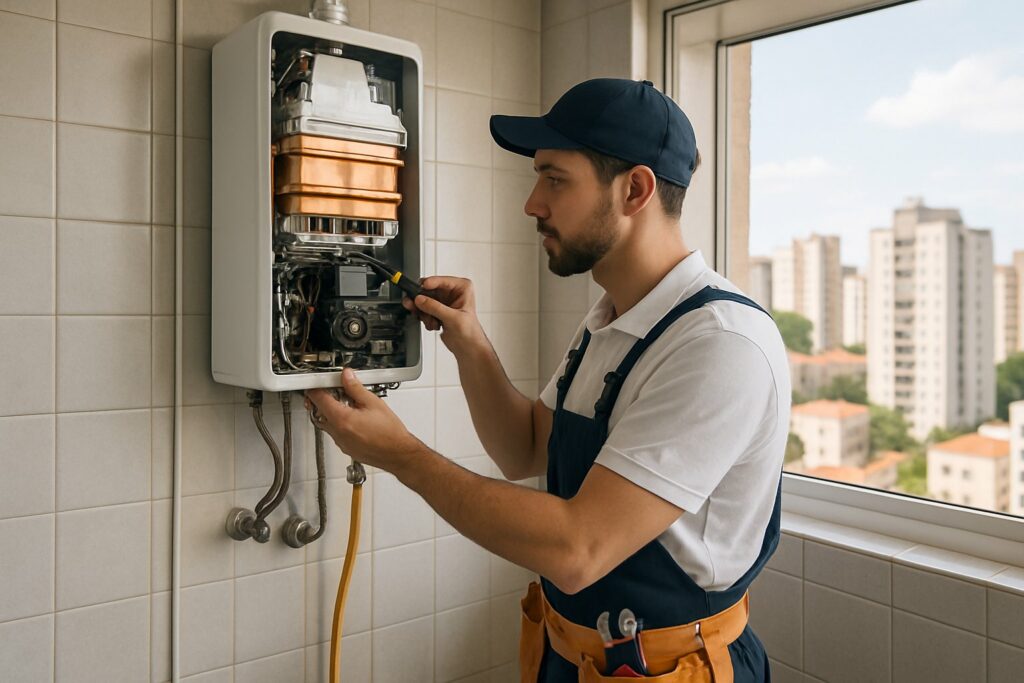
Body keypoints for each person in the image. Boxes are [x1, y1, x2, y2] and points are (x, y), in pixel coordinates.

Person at [306, 78, 791, 682]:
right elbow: (523, 448)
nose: (533, 203)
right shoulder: (612, 317)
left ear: (634, 190)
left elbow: (578, 549)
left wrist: (402, 457)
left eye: (555, 179)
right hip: (571, 657)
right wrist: (471, 345)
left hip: (672, 670)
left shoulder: (719, 343)